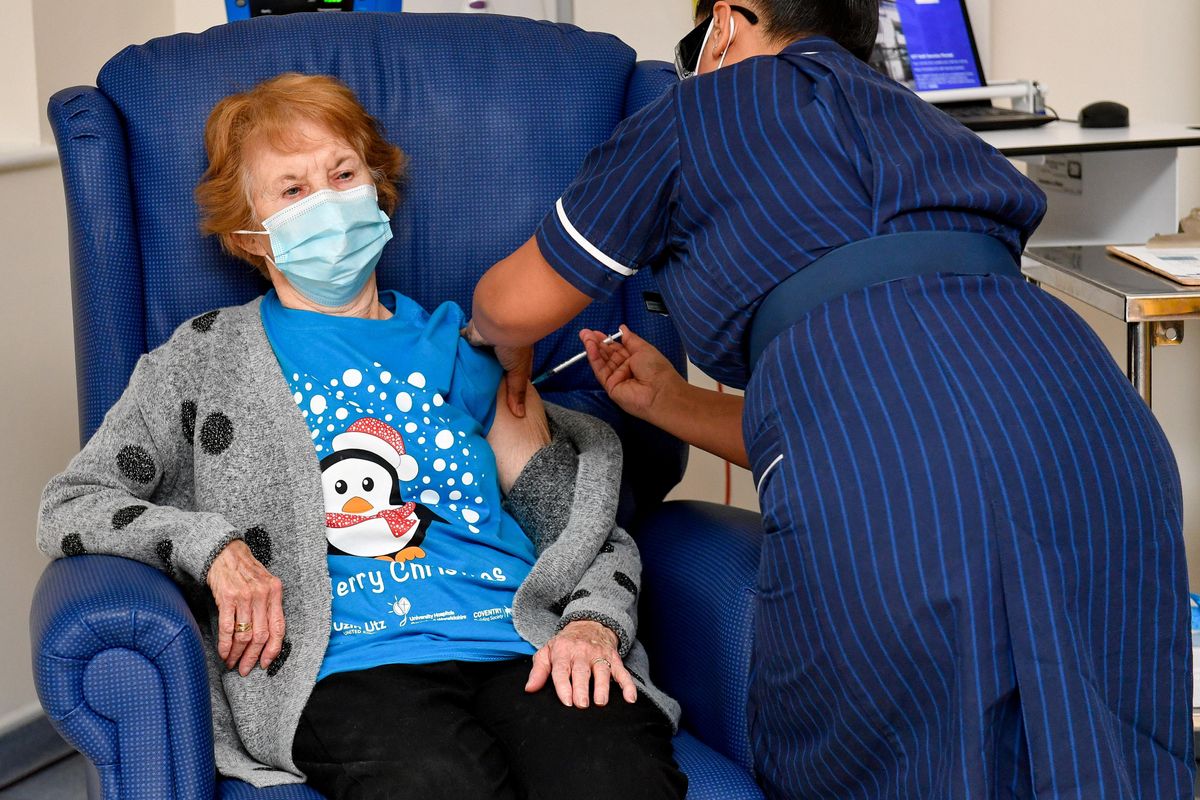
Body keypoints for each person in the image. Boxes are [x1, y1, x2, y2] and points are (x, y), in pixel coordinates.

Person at [466, 2, 1194, 798]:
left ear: (728, 23)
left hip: (892, 463)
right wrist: (672, 404)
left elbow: (514, 305)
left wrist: (482, 340)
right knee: (1109, 754)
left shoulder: (697, 110)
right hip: (1093, 424)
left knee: (898, 759)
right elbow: (915, 400)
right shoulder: (926, 123)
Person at [38, 73, 686, 800]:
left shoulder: (464, 349)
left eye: (342, 174)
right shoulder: (202, 361)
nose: (327, 201)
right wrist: (212, 548)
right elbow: (73, 503)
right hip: (346, 664)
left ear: (377, 186)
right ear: (248, 234)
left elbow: (577, 526)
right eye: (291, 189)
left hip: (518, 639)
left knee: (617, 780)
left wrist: (594, 623)